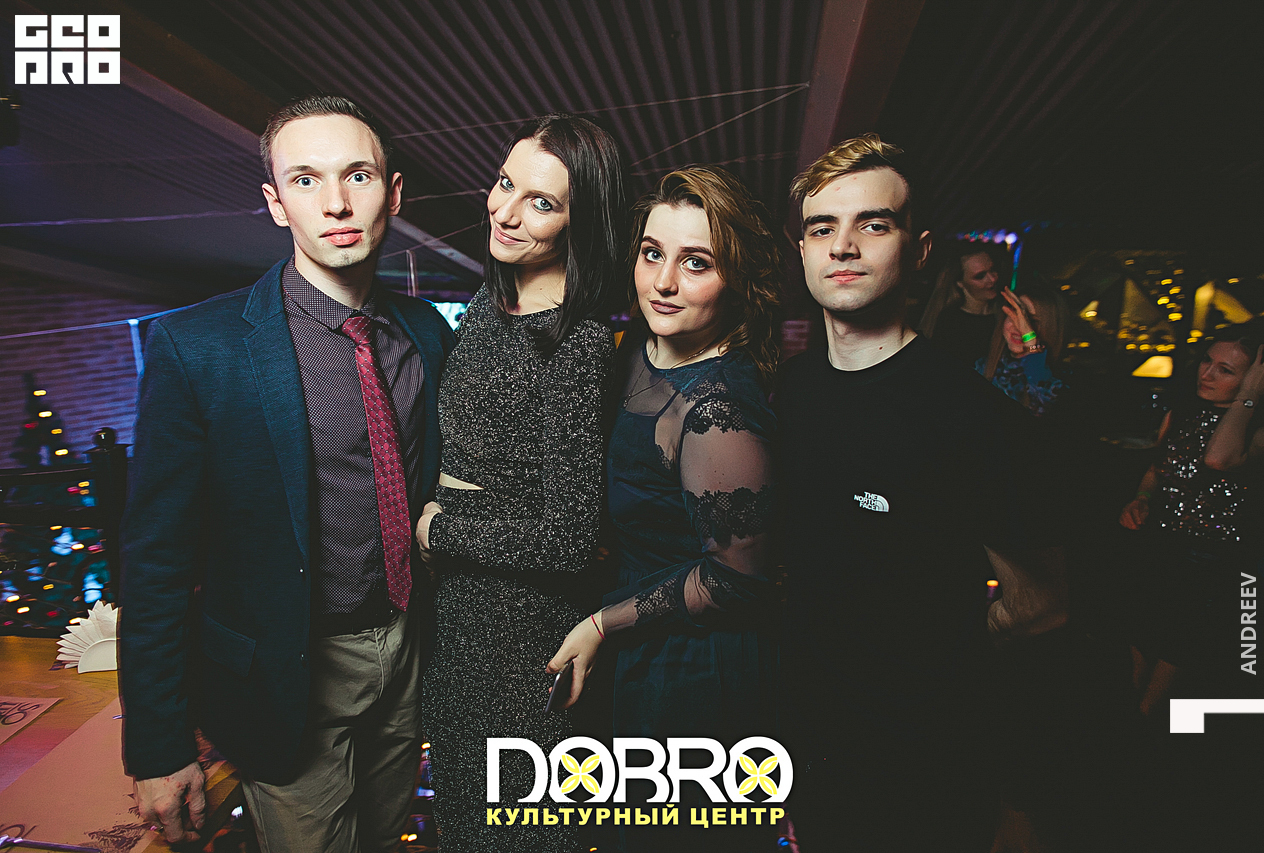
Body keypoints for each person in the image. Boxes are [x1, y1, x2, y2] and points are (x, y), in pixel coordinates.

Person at [119, 95, 454, 852]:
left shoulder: (426, 332)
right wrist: (159, 745)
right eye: (305, 180)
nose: (336, 202)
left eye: (357, 175)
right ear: (276, 204)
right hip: (285, 674)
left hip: (409, 655)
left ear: (394, 192)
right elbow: (156, 562)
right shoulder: (197, 347)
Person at [774, 134, 1068, 850]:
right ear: (802, 250)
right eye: (822, 228)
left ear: (920, 249)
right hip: (805, 749)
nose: (843, 246)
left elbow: (1043, 604)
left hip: (922, 765)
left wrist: (934, 642)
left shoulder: (969, 414)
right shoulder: (787, 392)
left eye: (873, 224)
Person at [547, 166, 783, 852]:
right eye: (653, 253)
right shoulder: (640, 347)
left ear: (737, 279)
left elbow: (736, 580)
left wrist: (601, 623)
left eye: (696, 262)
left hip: (692, 667)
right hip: (639, 641)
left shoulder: (718, 411)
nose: (664, 282)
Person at [415, 114, 625, 853]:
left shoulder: (578, 342)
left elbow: (569, 539)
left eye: (541, 202)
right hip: (460, 624)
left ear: (580, 221)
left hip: (518, 638)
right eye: (505, 184)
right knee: (463, 826)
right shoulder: (488, 302)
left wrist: (439, 529)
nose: (505, 212)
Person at [1119, 319, 1264, 715]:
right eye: (1207, 361)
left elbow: (1218, 458)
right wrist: (1141, 498)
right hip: (1158, 545)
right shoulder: (1181, 413)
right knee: (1137, 639)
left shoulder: (1263, 432)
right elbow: (1157, 469)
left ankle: (1148, 726)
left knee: (1177, 650)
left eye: (1226, 370)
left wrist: (1249, 396)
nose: (1206, 374)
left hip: (1212, 563)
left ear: (1258, 381)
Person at [980, 286, 1069, 417]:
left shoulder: (1061, 384)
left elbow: (1043, 407)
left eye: (1030, 321)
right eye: (1014, 316)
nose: (1018, 328)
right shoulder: (983, 366)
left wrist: (1031, 344)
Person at [919, 241, 1004, 365]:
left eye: (993, 270)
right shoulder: (949, 323)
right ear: (960, 283)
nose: (993, 279)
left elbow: (1030, 353)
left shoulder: (1007, 315)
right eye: (980, 276)